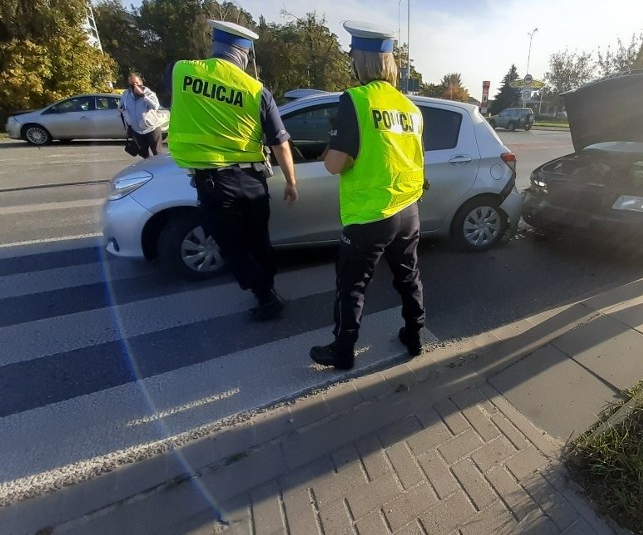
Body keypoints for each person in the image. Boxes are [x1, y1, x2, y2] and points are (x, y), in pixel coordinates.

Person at [309, 21, 426, 371]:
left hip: (370, 216)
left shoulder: (355, 100)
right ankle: (415, 336)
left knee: (352, 285)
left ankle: (343, 351)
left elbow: (335, 165)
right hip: (408, 208)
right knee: (408, 276)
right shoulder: (410, 107)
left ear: (359, 60)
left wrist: (331, 151)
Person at [167, 20, 298, 320]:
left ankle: (265, 294)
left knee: (232, 245)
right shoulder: (256, 90)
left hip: (215, 183)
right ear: (243, 54)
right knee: (258, 239)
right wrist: (291, 181)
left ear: (215, 46)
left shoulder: (182, 71)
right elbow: (280, 142)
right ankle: (268, 286)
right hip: (252, 182)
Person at [119, 73, 164, 158]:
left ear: (141, 82)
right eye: (131, 84)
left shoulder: (149, 93)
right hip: (137, 130)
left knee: (157, 154)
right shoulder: (126, 95)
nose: (134, 86)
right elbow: (121, 106)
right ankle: (150, 167)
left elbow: (155, 106)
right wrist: (122, 110)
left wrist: (143, 96)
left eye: (136, 83)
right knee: (143, 154)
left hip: (152, 128)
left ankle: (159, 168)